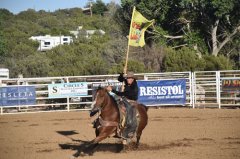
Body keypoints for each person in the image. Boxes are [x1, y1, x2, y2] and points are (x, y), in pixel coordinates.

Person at [106, 71, 138, 139]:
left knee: (129, 115)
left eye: (130, 78)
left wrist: (112, 90)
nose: (128, 79)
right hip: (124, 99)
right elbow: (120, 79)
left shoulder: (134, 88)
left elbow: (123, 94)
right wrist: (121, 75)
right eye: (128, 78)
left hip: (131, 102)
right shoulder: (126, 81)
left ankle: (129, 129)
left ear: (133, 79)